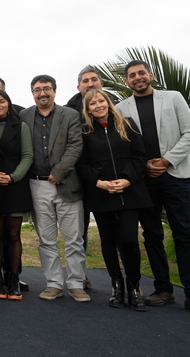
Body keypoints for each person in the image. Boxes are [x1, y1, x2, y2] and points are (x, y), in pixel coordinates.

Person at [116, 60, 190, 310]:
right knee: (152, 235)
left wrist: (167, 160)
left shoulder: (173, 98)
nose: (137, 78)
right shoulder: (120, 108)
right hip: (143, 181)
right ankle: (164, 289)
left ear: (151, 74)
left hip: (177, 175)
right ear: (126, 81)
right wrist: (144, 166)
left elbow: (189, 132)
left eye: (141, 73)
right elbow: (122, 147)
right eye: (131, 75)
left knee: (184, 233)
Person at [77, 89, 148, 311]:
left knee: (129, 239)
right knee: (107, 240)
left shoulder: (127, 124)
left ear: (108, 102)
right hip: (101, 193)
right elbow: (82, 164)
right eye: (92, 103)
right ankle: (116, 286)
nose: (98, 105)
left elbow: (140, 156)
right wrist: (99, 182)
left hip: (129, 191)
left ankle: (134, 287)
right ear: (87, 109)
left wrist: (127, 179)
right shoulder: (85, 132)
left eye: (101, 101)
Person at [20, 75, 89, 302]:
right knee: (46, 239)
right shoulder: (24, 116)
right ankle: (53, 284)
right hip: (37, 185)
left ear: (55, 91)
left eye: (47, 89)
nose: (42, 93)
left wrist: (59, 172)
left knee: (74, 239)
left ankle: (76, 284)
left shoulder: (70, 115)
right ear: (32, 93)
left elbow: (75, 146)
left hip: (67, 183)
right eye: (37, 89)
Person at [66, 65, 121, 290]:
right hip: (81, 180)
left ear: (102, 84)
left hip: (115, 181)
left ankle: (129, 280)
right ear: (78, 87)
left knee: (120, 232)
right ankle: (81, 275)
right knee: (80, 230)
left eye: (94, 79)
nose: (90, 84)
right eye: (85, 81)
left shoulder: (117, 108)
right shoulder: (69, 111)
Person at [0, 88, 33, 300]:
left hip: (15, 185)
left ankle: (13, 278)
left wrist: (13, 177)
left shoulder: (20, 125)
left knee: (13, 235)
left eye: (1, 101)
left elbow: (28, 155)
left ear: (8, 103)